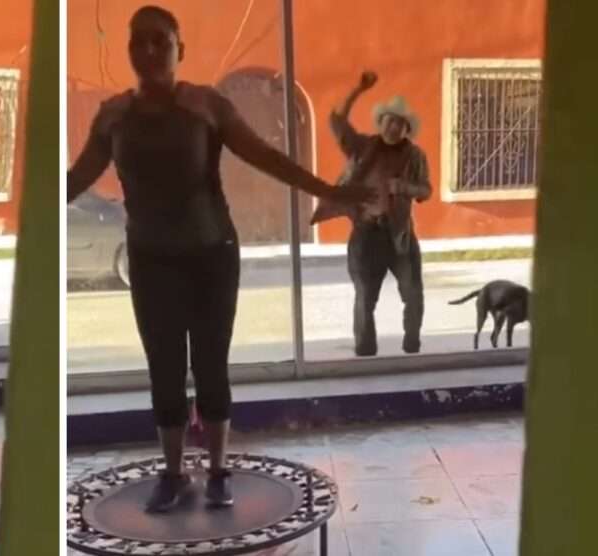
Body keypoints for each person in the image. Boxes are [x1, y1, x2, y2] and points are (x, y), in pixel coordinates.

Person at [66, 5, 370, 513]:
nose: (148, 51)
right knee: (163, 369)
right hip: (149, 259)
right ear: (128, 50)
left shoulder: (207, 106)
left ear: (179, 50)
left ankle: (218, 471)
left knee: (210, 366)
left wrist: (326, 191)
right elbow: (76, 180)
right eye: (138, 41)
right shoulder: (113, 116)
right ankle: (173, 475)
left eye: (160, 41)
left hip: (212, 256)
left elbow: (266, 158)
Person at [313, 71, 431, 356]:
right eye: (390, 121)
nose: (393, 128)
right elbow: (337, 122)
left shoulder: (415, 156)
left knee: (413, 294)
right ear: (382, 123)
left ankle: (412, 348)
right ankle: (365, 353)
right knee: (365, 297)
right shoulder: (363, 147)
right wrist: (358, 89)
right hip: (367, 232)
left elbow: (426, 191)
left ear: (406, 129)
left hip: (400, 234)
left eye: (400, 124)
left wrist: (404, 186)